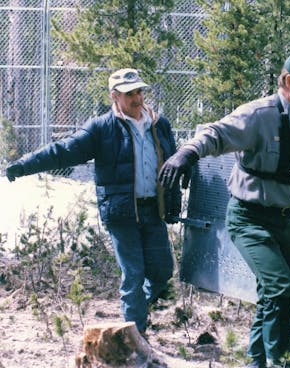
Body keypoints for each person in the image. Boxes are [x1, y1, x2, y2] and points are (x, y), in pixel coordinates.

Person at [158, 47, 290, 368]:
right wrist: (187, 153)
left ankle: (255, 362)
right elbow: (216, 133)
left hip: (285, 222)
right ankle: (282, 362)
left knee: (271, 297)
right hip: (249, 220)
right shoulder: (259, 115)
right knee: (282, 292)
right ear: (289, 81)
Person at [5, 68, 181, 333]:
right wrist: (23, 165)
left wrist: (173, 204)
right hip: (122, 213)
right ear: (114, 96)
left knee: (161, 271)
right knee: (133, 276)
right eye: (128, 93)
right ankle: (136, 338)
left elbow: (173, 165)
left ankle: (132, 323)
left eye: (139, 92)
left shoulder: (160, 124)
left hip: (153, 210)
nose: (136, 98)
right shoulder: (101, 128)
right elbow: (63, 151)